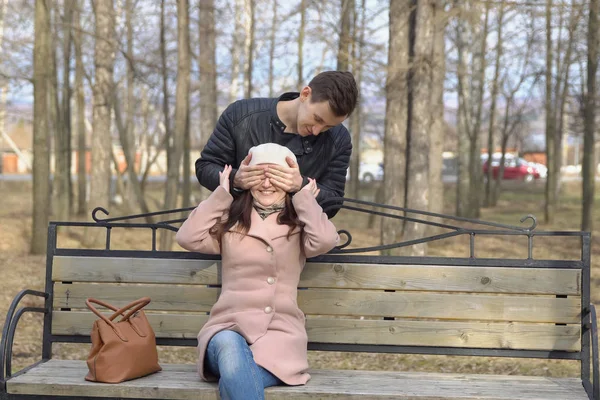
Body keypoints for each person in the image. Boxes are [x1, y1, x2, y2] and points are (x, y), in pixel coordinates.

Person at [177, 143, 340, 400]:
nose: (266, 185)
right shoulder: (231, 221)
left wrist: (303, 196)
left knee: (235, 379)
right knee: (232, 355)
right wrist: (224, 192)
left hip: (280, 336)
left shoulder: (300, 224)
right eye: (258, 177)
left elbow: (325, 241)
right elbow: (187, 237)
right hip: (227, 329)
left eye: (275, 177)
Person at [195, 71, 358, 218]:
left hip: (299, 240)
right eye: (318, 119)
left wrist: (301, 186)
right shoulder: (240, 116)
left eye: (328, 127)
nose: (317, 131)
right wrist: (235, 179)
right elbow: (205, 167)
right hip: (237, 231)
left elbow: (333, 202)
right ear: (305, 94)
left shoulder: (339, 139)